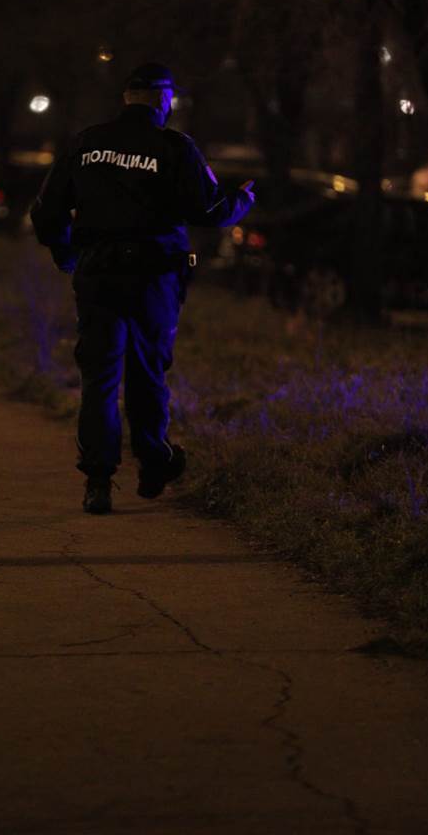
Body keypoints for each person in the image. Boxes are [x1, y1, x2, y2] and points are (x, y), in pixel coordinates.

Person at [30, 62, 255, 515]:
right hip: (154, 278)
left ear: (126, 97)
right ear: (162, 100)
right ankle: (154, 464)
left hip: (97, 275)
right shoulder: (174, 147)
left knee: (99, 377)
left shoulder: (87, 143)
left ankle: (98, 480)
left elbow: (46, 210)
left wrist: (64, 252)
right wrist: (242, 202)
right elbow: (208, 209)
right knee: (147, 371)